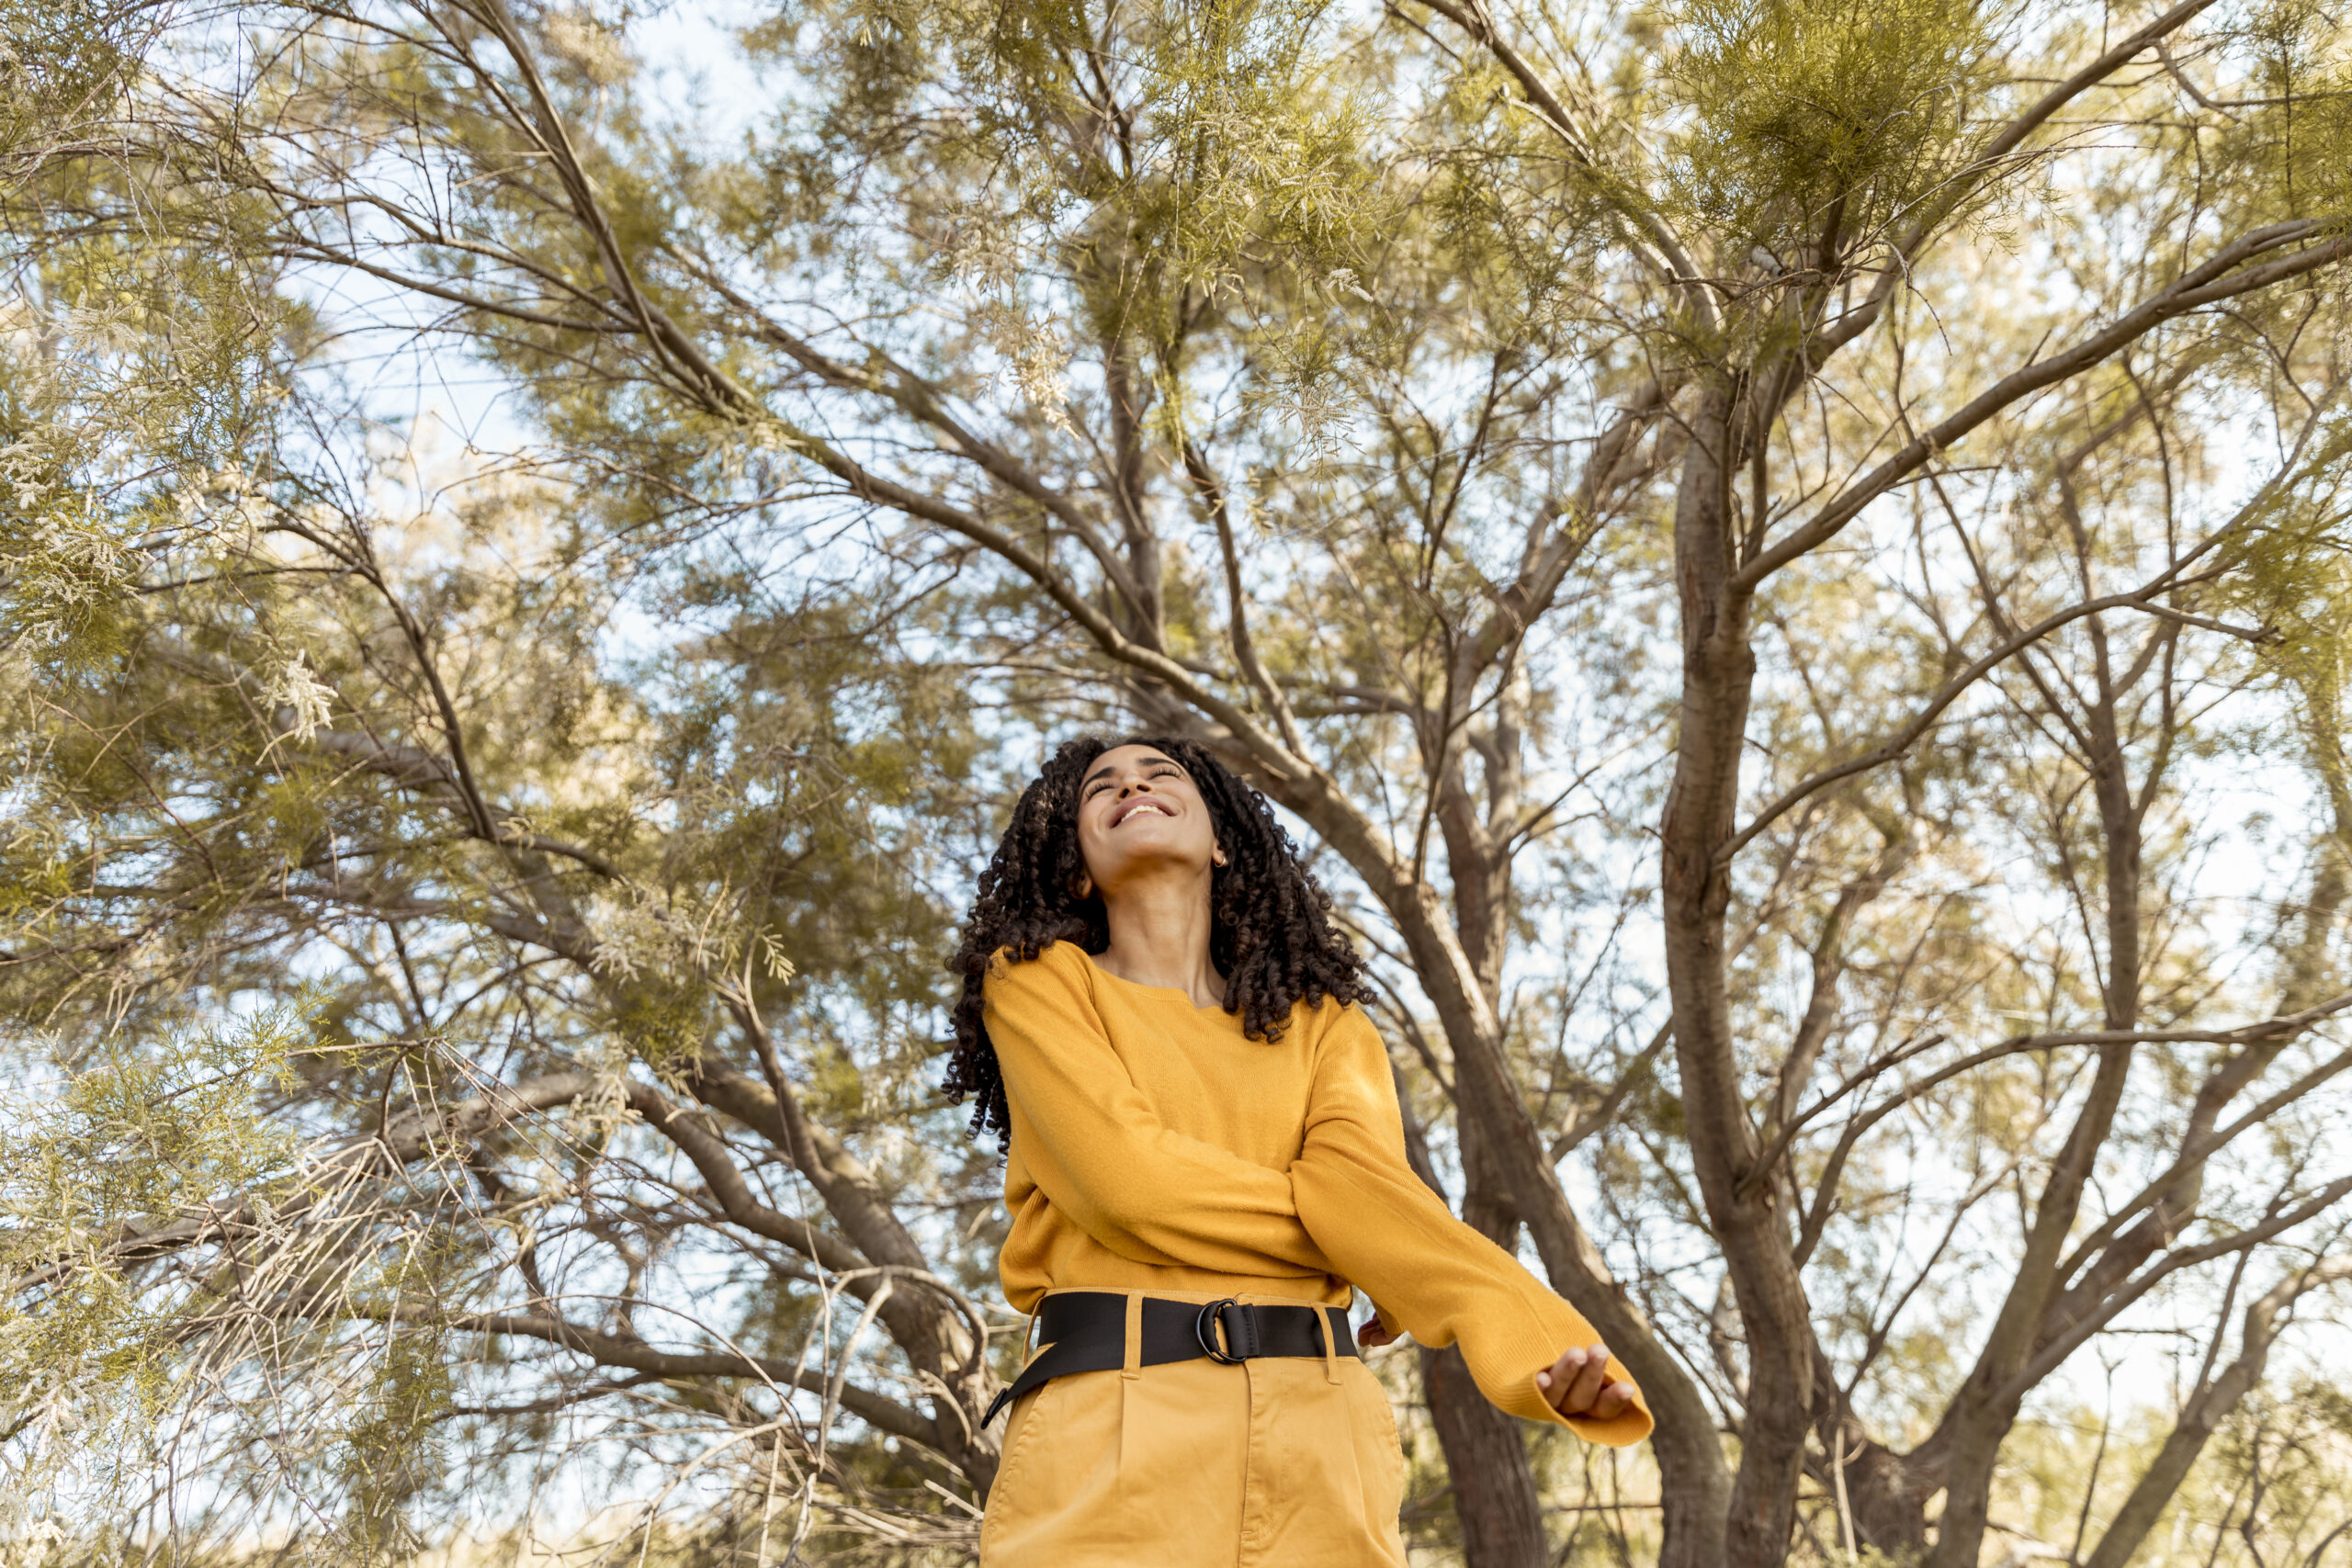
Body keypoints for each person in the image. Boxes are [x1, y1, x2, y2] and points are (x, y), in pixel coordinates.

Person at [945, 736, 1650, 1565]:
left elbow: (1371, 1196)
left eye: (1160, 774)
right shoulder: (1038, 979)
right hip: (1111, 1432)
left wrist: (1535, 1344)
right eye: (1103, 787)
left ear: (1220, 841)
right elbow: (1129, 1185)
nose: (1132, 784)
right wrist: (1359, 1243)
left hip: (1324, 1440)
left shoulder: (1327, 1025)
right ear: (1076, 866)